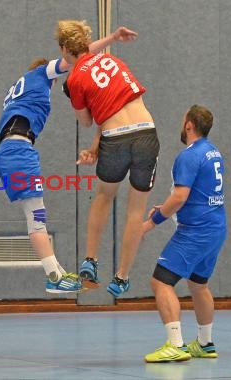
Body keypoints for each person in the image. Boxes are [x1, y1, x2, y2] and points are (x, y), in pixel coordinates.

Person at [0, 25, 138, 294]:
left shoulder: (18, 89)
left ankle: (56, 273)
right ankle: (54, 277)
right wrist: (112, 39)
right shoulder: (41, 75)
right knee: (36, 219)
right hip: (18, 151)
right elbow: (78, 56)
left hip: (6, 151)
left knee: (35, 217)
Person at [56, 19, 159, 297]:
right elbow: (117, 105)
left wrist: (95, 146)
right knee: (135, 211)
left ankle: (90, 259)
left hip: (114, 137)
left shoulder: (74, 79)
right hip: (146, 134)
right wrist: (95, 147)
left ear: (65, 48)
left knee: (103, 197)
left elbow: (90, 120)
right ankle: (122, 277)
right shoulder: (113, 62)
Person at [142, 105, 226, 363]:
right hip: (215, 227)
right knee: (199, 284)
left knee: (161, 281)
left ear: (189, 125)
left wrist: (152, 221)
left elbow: (180, 196)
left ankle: (176, 345)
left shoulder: (189, 155)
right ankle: (205, 343)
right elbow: (197, 193)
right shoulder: (213, 152)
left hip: (195, 231)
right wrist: (172, 206)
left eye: (182, 121)